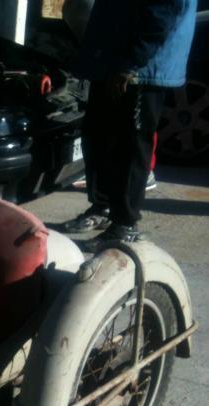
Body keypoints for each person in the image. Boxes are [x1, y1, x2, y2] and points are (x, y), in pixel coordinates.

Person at [63, 0, 197, 244]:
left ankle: (124, 224)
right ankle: (103, 207)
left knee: (131, 148)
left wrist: (131, 62)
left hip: (140, 68)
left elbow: (163, 11)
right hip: (112, 61)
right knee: (99, 136)